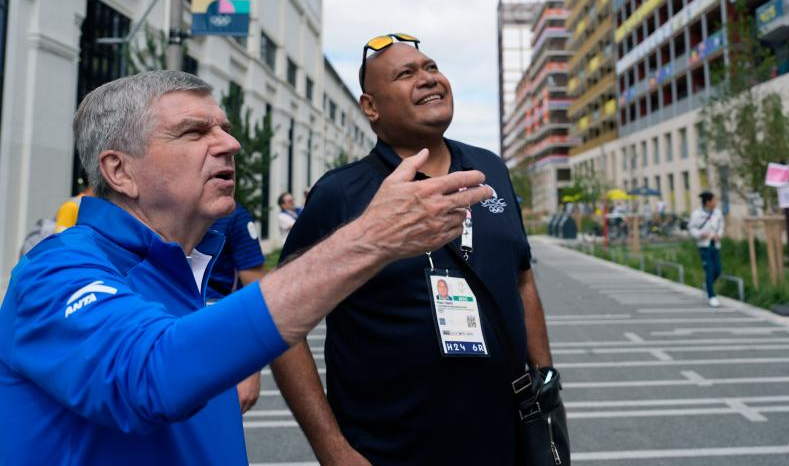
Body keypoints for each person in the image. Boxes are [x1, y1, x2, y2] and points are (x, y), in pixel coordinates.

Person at [0, 70, 493, 464]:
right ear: (119, 171)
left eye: (225, 129)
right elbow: (150, 374)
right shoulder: (56, 271)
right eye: (194, 132)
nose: (230, 144)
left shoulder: (190, 271)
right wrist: (370, 239)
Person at [271, 34, 556, 466]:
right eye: (406, 74)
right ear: (371, 107)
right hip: (390, 448)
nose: (428, 79)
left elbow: (522, 279)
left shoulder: (489, 167)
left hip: (506, 439)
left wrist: (546, 378)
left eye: (431, 67)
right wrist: (333, 452)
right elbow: (279, 323)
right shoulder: (342, 193)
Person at [206, 203, 268, 413]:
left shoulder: (232, 216)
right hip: (163, 338)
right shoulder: (151, 209)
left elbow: (257, 295)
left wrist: (251, 369)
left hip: (218, 335)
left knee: (216, 436)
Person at [689, 190, 724, 307]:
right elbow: (692, 228)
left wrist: (719, 234)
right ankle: (711, 296)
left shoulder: (717, 213)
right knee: (709, 270)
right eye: (714, 200)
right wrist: (700, 234)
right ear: (708, 202)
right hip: (704, 245)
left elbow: (721, 226)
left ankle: (707, 285)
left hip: (715, 244)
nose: (715, 202)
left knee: (717, 270)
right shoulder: (697, 214)